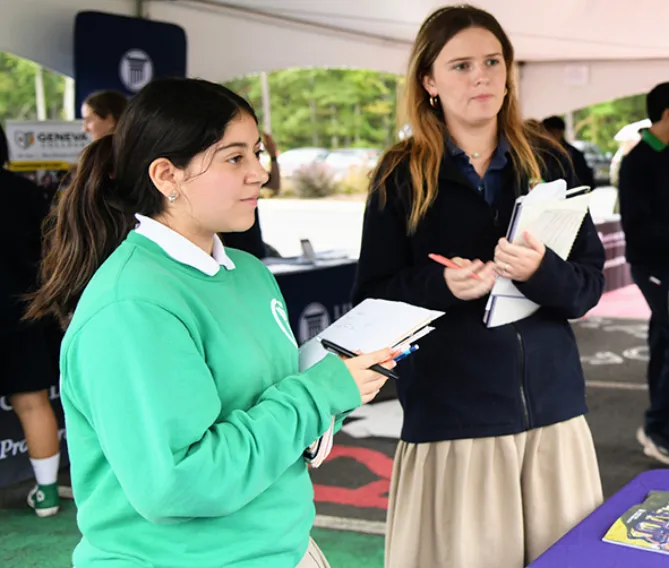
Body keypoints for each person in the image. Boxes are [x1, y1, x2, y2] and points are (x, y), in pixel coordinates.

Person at [24, 77, 399, 568]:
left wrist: (337, 389)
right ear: (167, 176)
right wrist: (319, 394)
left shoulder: (249, 274)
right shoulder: (133, 306)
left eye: (257, 154)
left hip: (280, 549)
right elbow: (178, 483)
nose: (259, 174)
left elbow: (273, 412)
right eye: (234, 158)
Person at [351, 6, 605, 567]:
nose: (482, 76)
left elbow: (586, 288)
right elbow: (370, 299)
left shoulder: (549, 161)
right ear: (429, 81)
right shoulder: (401, 174)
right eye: (461, 65)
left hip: (554, 414)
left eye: (492, 62)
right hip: (455, 420)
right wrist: (442, 285)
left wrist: (539, 271)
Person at [617, 81, 669, 465]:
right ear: (668, 114)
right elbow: (637, 223)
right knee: (666, 336)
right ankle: (656, 426)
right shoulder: (637, 161)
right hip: (652, 263)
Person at [0, 123, 63, 517]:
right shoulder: (25, 192)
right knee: (33, 403)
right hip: (23, 311)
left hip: (21, 311)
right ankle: (48, 495)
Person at [221, 131, 281, 259]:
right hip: (231, 255)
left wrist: (273, 156)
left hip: (254, 251)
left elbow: (274, 184)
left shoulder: (252, 175)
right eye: (236, 158)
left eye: (257, 153)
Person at [542, 115, 595, 188]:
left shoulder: (573, 154)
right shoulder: (544, 154)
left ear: (559, 132)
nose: (545, 136)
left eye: (549, 132)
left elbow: (586, 180)